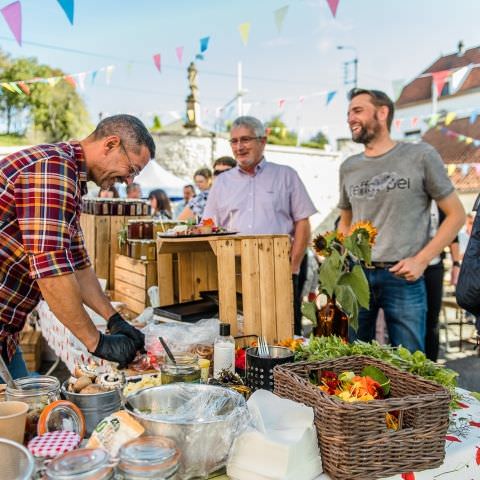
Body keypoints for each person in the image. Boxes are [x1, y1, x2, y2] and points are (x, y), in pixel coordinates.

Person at [0, 114, 155, 379]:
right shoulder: (53, 171)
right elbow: (51, 273)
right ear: (110, 144)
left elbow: (78, 264)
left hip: (7, 334)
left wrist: (114, 318)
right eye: (132, 169)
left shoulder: (69, 175)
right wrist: (97, 342)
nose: (129, 181)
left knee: (27, 406)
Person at [337, 88, 465, 353]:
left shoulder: (420, 155)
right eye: (349, 112)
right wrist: (341, 262)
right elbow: (345, 221)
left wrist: (421, 260)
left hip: (403, 277)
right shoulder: (349, 166)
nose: (350, 118)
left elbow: (456, 215)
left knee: (410, 364)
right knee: (352, 358)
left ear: (382, 113)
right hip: (358, 275)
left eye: (357, 110)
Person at [203, 116, 316, 335]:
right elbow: (209, 227)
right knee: (240, 333)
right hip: (234, 273)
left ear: (262, 141)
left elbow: (303, 222)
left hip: (279, 271)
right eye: (234, 141)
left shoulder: (286, 175)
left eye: (245, 139)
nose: (239, 147)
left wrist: (292, 267)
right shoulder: (222, 183)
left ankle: (285, 370)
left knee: (284, 333)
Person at [424, 203, 461, 361]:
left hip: (433, 268)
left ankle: (430, 364)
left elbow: (453, 237)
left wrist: (456, 265)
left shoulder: (440, 204)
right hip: (406, 266)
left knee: (432, 320)